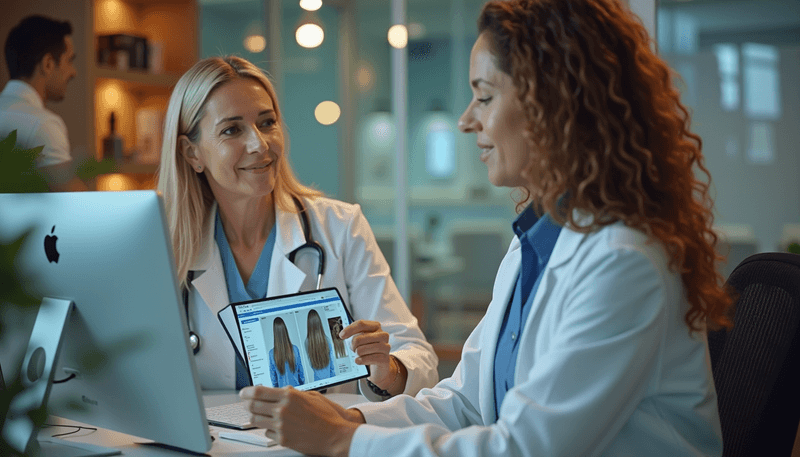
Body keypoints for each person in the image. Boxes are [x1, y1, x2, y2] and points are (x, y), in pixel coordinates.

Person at [239, 0, 735, 456]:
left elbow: (526, 448)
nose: (465, 120)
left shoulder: (624, 261)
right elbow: (465, 403)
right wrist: (348, 416)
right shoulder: (534, 247)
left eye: (484, 96)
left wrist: (343, 440)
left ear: (553, 105)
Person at [156, 55, 438, 401]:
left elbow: (417, 355)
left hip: (316, 441)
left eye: (267, 122)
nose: (259, 144)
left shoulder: (339, 228)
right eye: (232, 129)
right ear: (191, 153)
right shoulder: (166, 247)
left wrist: (387, 370)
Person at [0, 15, 87, 192]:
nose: (73, 72)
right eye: (69, 60)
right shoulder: (42, 125)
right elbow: (78, 205)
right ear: (48, 64)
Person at [269, 317, 305, 388]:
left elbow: (274, 379)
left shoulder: (271, 353)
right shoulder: (295, 349)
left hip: (282, 393)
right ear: (285, 330)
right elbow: (301, 374)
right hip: (297, 390)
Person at [306, 310, 336, 381]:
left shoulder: (307, 342)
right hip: (330, 378)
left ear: (308, 324)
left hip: (317, 379)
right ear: (319, 322)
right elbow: (331, 363)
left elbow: (311, 363)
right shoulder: (327, 340)